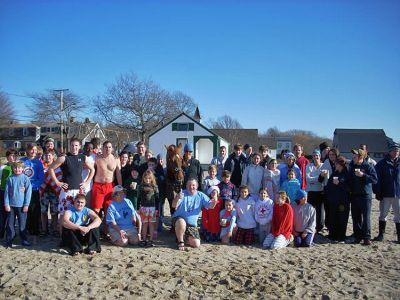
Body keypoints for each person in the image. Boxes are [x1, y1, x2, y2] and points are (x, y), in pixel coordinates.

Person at [48, 138, 95, 229]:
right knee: (63, 214)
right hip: (66, 191)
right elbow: (50, 169)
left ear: (79, 146)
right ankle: (62, 237)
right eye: (72, 145)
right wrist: (57, 182)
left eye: (76, 145)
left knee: (77, 213)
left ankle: (74, 235)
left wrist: (87, 182)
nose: (74, 147)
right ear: (70, 146)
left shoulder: (83, 157)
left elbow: (92, 170)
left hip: (78, 191)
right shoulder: (63, 158)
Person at [172, 179, 217, 250]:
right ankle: (180, 241)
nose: (191, 187)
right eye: (189, 185)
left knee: (196, 244)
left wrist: (214, 200)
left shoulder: (201, 195)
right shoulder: (182, 193)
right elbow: (174, 205)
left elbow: (211, 206)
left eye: (193, 185)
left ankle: (183, 236)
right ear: (186, 186)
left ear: (197, 186)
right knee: (181, 222)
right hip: (179, 219)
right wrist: (177, 197)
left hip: (192, 224)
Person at [348, 148, 378, 245]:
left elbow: (375, 179)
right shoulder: (352, 166)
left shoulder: (368, 166)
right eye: (353, 157)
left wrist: (363, 175)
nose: (353, 158)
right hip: (354, 195)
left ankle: (366, 237)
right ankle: (357, 237)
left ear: (360, 157)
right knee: (356, 218)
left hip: (365, 196)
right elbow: (350, 181)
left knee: (366, 217)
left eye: (355, 157)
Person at [373, 143, 400, 243]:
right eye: (394, 150)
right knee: (383, 214)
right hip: (386, 193)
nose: (396, 152)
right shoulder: (382, 163)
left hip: (398, 193)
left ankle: (399, 236)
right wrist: (377, 191)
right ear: (390, 151)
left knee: (398, 215)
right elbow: (377, 178)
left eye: (397, 151)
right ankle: (381, 235)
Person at [3, 161, 32, 248]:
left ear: (23, 169)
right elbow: (7, 192)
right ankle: (9, 239)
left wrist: (26, 205)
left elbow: (28, 193)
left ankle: (24, 239)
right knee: (10, 224)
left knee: (22, 223)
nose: (17, 169)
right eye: (15, 168)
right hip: (11, 206)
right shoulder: (10, 178)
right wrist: (7, 204)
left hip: (22, 206)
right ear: (13, 169)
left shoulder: (25, 179)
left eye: (19, 168)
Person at [92, 141, 122, 217]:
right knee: (96, 210)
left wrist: (120, 187)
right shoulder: (97, 158)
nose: (107, 149)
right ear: (102, 148)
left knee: (108, 211)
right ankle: (95, 228)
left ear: (112, 148)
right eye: (106, 147)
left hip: (110, 186)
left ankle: (106, 229)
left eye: (109, 147)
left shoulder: (116, 159)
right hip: (98, 186)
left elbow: (118, 174)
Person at [21, 143, 44, 239]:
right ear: (27, 150)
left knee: (35, 210)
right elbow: (19, 175)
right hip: (23, 190)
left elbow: (41, 177)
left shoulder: (38, 162)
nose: (33, 151)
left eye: (35, 149)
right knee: (25, 210)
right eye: (31, 149)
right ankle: (24, 229)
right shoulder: (22, 161)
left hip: (34, 190)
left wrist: (32, 186)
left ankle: (35, 229)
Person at [324, 156, 350, 243]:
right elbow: (329, 186)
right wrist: (328, 196)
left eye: (337, 164)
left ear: (341, 164)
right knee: (333, 218)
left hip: (343, 201)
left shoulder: (347, 174)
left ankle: (341, 237)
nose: (335, 165)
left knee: (342, 219)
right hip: (333, 200)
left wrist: (339, 183)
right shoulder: (334, 173)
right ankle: (332, 235)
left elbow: (349, 188)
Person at [39, 149, 61, 236]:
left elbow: (59, 178)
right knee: (43, 211)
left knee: (54, 212)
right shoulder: (41, 166)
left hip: (54, 192)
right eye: (46, 155)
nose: (48, 157)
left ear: (53, 156)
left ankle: (55, 229)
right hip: (44, 191)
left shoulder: (57, 166)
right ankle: (44, 229)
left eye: (50, 155)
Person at [137, 170, 159, 247]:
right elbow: (138, 198)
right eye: (146, 178)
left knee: (151, 224)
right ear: (143, 178)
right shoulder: (141, 187)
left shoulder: (154, 187)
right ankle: (144, 239)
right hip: (144, 208)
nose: (147, 180)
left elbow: (157, 199)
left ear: (152, 179)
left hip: (152, 208)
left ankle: (151, 240)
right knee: (144, 224)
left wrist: (157, 209)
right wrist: (137, 208)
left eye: (149, 178)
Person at [306, 149, 325, 233]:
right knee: (311, 210)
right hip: (311, 191)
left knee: (320, 211)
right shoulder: (309, 166)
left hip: (320, 191)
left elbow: (324, 179)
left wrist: (314, 179)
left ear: (320, 156)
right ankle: (311, 226)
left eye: (317, 155)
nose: (315, 157)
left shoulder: (323, 166)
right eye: (313, 155)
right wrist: (319, 177)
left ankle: (319, 227)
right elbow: (308, 179)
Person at [0, 148, 18, 238]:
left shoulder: (18, 167)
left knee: (12, 214)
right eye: (11, 155)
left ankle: (11, 233)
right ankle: (1, 232)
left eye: (15, 156)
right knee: (3, 213)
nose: (13, 157)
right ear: (7, 157)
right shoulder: (3, 167)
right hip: (3, 192)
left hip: (15, 194)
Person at [81, 141, 96, 208]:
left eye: (91, 148)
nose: (90, 150)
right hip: (79, 186)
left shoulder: (95, 157)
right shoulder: (79, 156)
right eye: (88, 148)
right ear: (84, 148)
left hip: (89, 186)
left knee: (88, 207)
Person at [155, 154, 167, 232]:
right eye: (159, 159)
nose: (160, 161)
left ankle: (161, 224)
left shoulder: (165, 170)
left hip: (163, 192)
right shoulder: (155, 169)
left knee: (161, 209)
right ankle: (158, 226)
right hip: (156, 192)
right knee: (157, 209)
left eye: (161, 160)